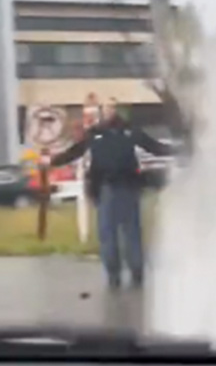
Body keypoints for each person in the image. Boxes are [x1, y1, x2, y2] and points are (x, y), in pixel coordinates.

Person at [44, 98, 174, 291]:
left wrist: (179, 151)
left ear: (118, 110)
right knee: (108, 235)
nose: (108, 111)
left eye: (112, 107)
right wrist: (52, 161)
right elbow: (75, 152)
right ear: (102, 111)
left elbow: (154, 147)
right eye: (105, 108)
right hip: (105, 188)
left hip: (128, 186)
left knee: (132, 233)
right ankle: (113, 275)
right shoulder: (95, 134)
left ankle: (137, 272)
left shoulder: (130, 131)